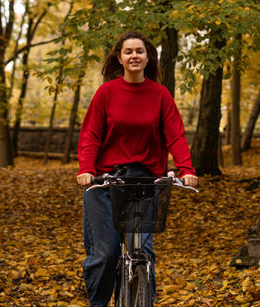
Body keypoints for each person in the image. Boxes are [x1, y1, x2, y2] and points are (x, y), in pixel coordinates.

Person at [76, 31, 198, 306]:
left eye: (139, 51)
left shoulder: (160, 94)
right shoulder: (106, 93)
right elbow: (90, 136)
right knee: (105, 255)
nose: (134, 55)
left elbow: (175, 135)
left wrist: (186, 169)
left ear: (147, 57)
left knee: (144, 255)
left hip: (145, 184)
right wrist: (86, 169)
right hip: (106, 181)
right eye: (128, 51)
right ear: (119, 58)